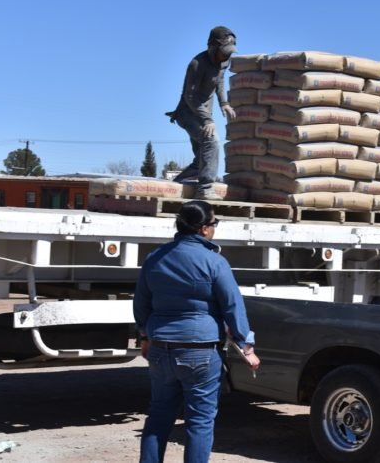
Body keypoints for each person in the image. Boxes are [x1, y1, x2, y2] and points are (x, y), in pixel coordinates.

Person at [134, 200, 260, 463]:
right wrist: (246, 347)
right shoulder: (214, 261)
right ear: (203, 228)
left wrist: (145, 336)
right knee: (199, 421)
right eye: (214, 223)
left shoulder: (154, 258)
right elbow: (232, 306)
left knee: (158, 416)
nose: (214, 228)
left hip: (160, 347)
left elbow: (141, 302)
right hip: (200, 351)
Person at [166, 26, 238, 200]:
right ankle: (205, 189)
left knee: (202, 159)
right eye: (223, 52)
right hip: (188, 113)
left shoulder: (224, 61)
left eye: (229, 52)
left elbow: (219, 81)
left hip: (204, 113)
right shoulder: (197, 64)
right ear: (213, 47)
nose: (226, 56)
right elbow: (189, 96)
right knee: (211, 141)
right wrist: (207, 120)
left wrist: (224, 103)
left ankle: (176, 184)